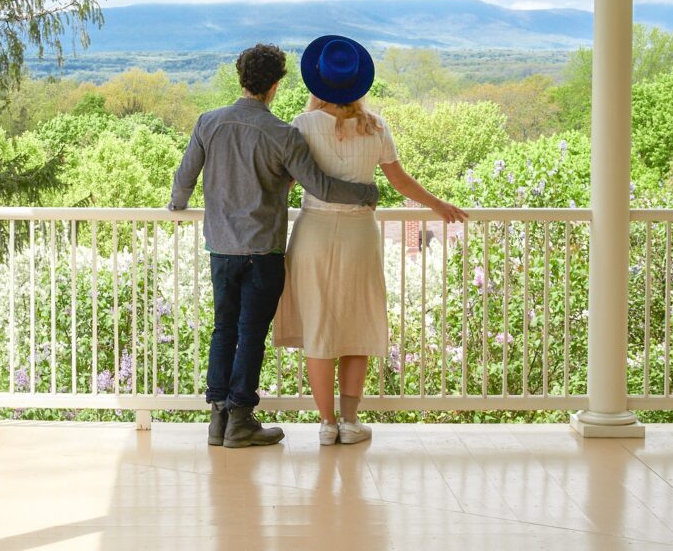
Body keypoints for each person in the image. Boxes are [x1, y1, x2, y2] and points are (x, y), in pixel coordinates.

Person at [168, 43, 379, 449]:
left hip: (222, 248)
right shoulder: (282, 134)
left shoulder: (208, 123)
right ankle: (241, 418)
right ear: (276, 85)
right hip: (263, 251)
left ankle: (218, 420)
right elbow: (320, 186)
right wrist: (367, 193)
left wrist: (177, 204)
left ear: (241, 78)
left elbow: (185, 176)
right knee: (250, 334)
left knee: (223, 330)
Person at [273, 35, 468, 446]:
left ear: (317, 82)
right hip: (360, 233)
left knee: (320, 327)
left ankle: (326, 425)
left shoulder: (302, 126)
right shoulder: (376, 126)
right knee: (356, 324)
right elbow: (399, 182)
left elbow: (285, 181)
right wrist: (439, 205)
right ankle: (349, 420)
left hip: (314, 233)